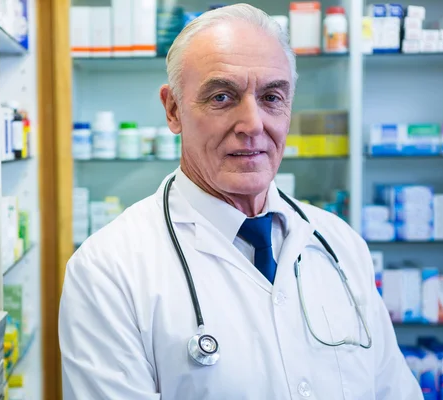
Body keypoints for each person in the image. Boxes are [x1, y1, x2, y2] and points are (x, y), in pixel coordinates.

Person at [59, 4, 422, 399]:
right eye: (221, 97)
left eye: (271, 97)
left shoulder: (341, 244)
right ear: (173, 109)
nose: (252, 125)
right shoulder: (109, 270)